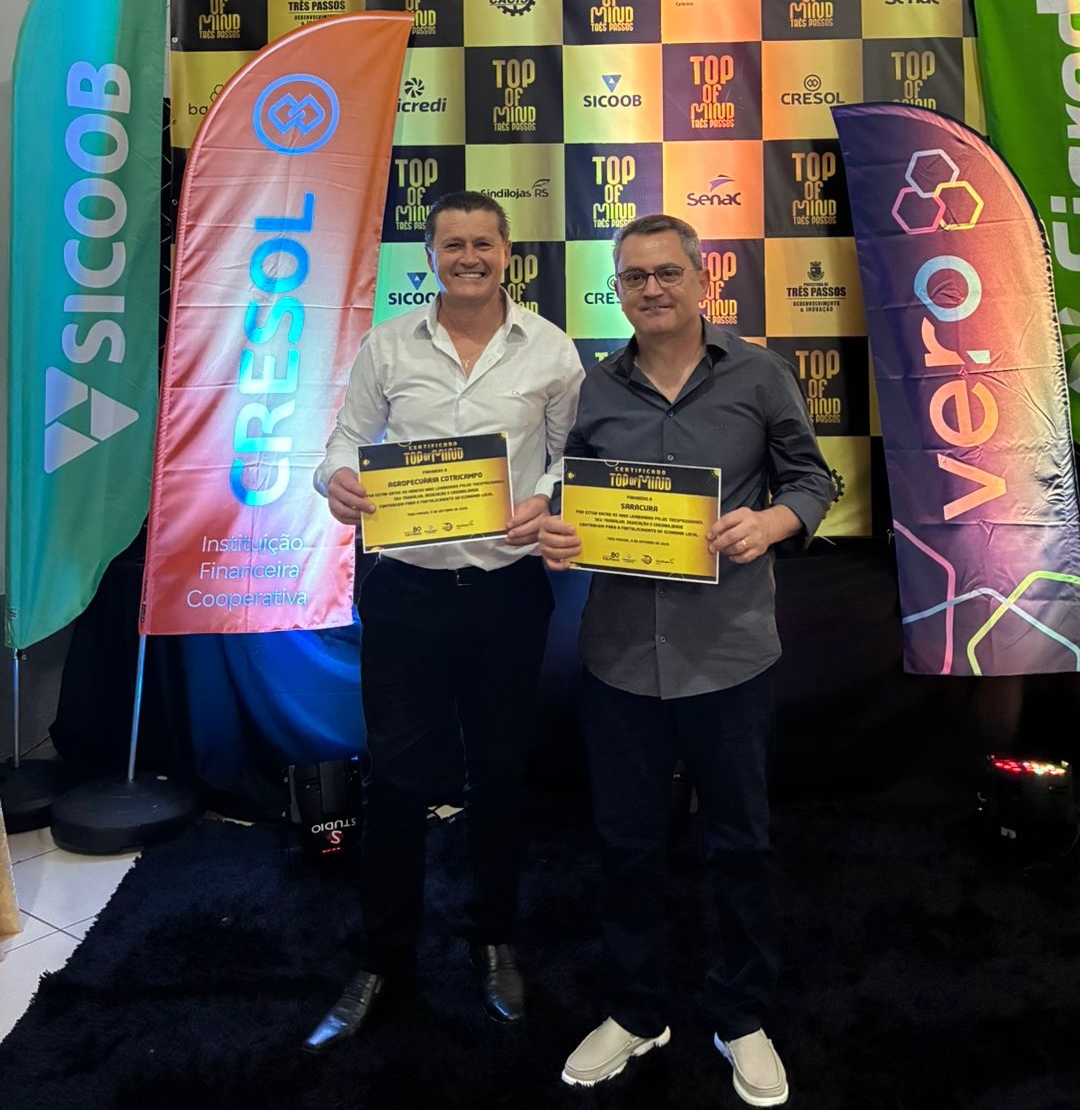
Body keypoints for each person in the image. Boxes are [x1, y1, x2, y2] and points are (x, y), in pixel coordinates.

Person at [540, 213, 833, 1107]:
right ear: (617, 291)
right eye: (634, 277)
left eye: (668, 272)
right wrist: (561, 531)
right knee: (626, 846)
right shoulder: (593, 389)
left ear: (702, 279)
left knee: (739, 844)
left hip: (729, 655)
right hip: (620, 658)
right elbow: (570, 494)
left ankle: (740, 1014)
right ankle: (636, 1010)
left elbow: (813, 479)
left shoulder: (759, 373)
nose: (652, 289)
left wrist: (773, 521)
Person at [303, 191, 584, 1051]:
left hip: (505, 592)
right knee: (395, 780)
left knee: (499, 774)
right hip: (406, 592)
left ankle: (495, 940)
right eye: (452, 244)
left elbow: (573, 456)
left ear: (508, 252)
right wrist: (335, 481)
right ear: (429, 257)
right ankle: (383, 957)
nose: (468, 257)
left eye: (483, 244)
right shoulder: (388, 345)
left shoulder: (552, 349)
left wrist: (548, 497)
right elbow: (345, 442)